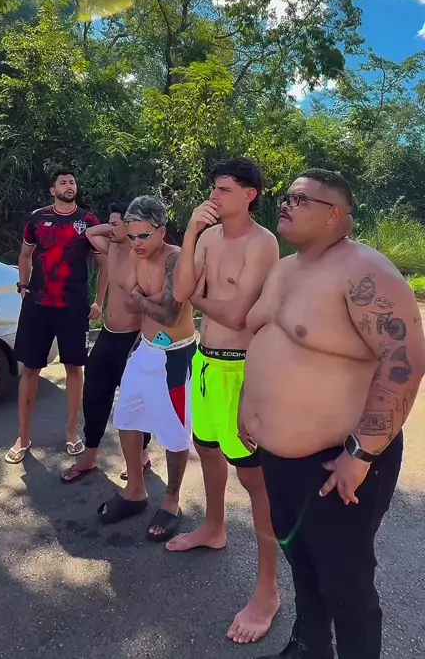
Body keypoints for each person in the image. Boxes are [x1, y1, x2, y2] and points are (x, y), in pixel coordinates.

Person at [241, 168, 425, 659]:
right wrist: (249, 406)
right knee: (301, 560)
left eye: (301, 199)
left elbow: (404, 364)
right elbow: (268, 340)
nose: (286, 204)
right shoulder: (286, 267)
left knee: (347, 583)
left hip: (335, 462)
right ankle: (310, 646)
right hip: (278, 458)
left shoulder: (364, 272)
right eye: (287, 196)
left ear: (334, 215)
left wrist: (360, 454)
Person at [169, 156, 281, 646]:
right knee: (207, 450)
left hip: (241, 368)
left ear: (250, 194)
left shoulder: (263, 243)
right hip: (205, 362)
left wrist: (199, 299)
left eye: (225, 189)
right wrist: (192, 232)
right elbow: (180, 292)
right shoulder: (207, 237)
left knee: (255, 481)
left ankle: (268, 588)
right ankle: (214, 528)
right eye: (213, 188)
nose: (214, 196)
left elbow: (239, 316)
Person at [98, 195, 196, 545]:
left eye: (144, 235)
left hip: (176, 357)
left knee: (174, 432)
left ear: (162, 231)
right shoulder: (136, 257)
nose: (136, 242)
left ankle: (171, 501)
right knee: (127, 418)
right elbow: (128, 301)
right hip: (144, 350)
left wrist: (142, 299)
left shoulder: (176, 259)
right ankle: (135, 490)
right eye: (132, 235)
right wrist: (147, 300)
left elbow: (170, 314)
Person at [5, 169, 107, 464]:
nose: (69, 185)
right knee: (30, 370)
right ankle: (23, 437)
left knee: (75, 368)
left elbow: (105, 263)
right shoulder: (38, 218)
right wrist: (23, 286)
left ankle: (72, 433)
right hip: (38, 305)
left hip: (74, 307)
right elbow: (25, 255)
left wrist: (99, 301)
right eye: (63, 182)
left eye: (72, 181)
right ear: (53, 190)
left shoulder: (88, 221)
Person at [60, 201, 152, 483]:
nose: (109, 228)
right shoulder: (112, 249)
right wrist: (114, 225)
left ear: (131, 226)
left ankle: (142, 456)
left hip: (132, 340)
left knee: (136, 401)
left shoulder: (141, 255)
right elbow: (90, 233)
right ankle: (90, 455)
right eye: (109, 224)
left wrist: (143, 340)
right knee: (94, 395)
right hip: (108, 335)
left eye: (115, 224)